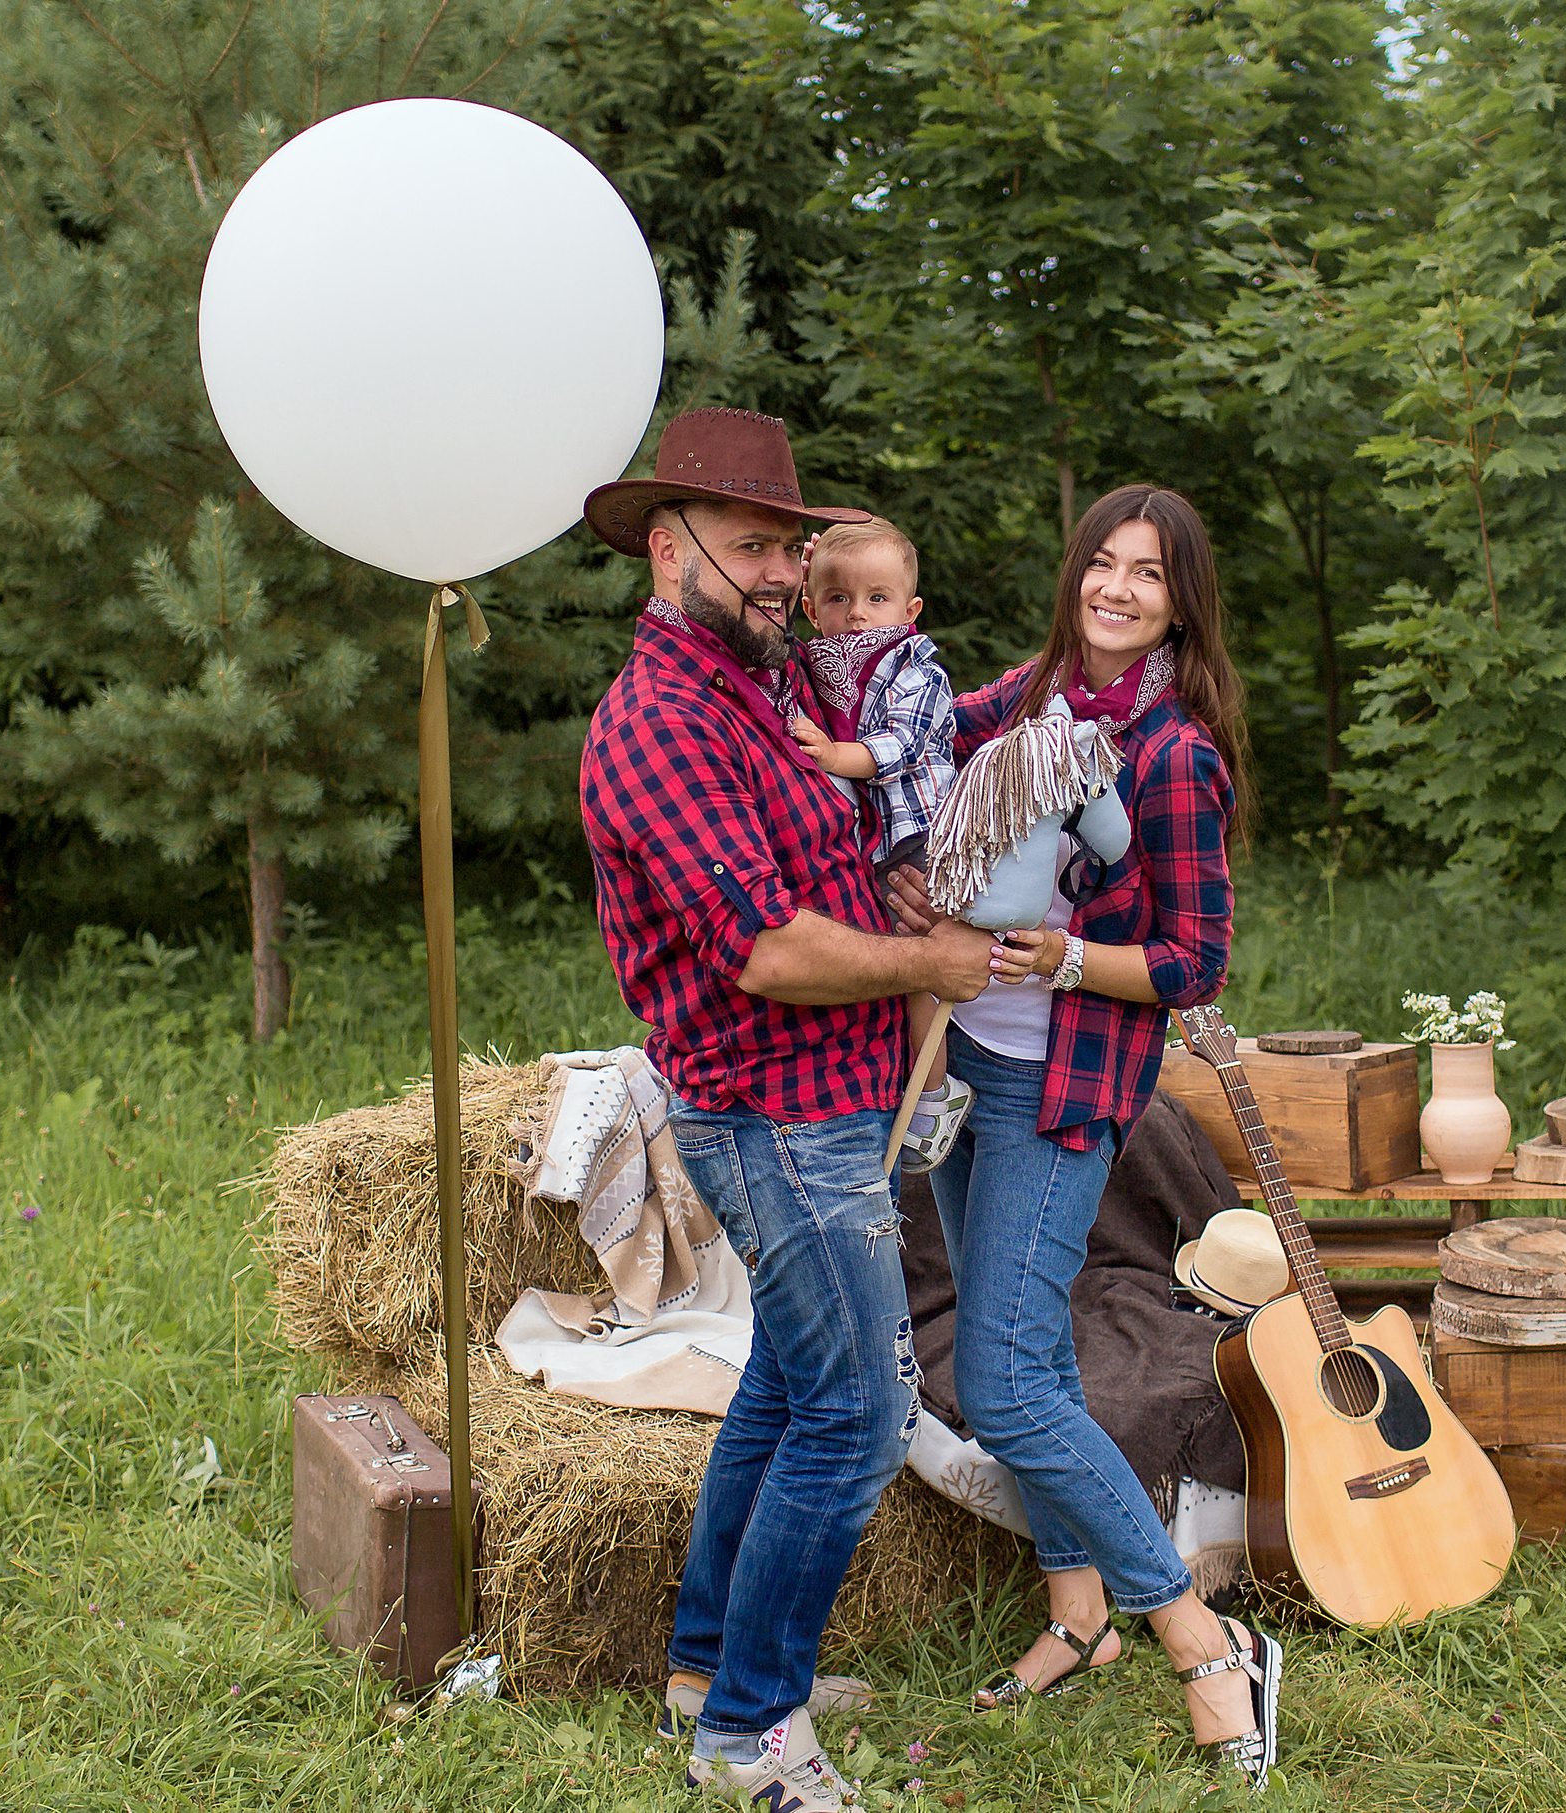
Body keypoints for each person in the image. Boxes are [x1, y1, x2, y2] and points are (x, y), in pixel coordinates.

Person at [579, 408, 996, 1813]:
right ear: (667, 547)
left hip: (826, 1101)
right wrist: (929, 964)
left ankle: (709, 1667)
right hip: (774, 1117)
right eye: (752, 545)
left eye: (788, 547)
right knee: (859, 1414)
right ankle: (749, 1734)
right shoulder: (661, 720)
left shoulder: (756, 687)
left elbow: (823, 858)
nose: (780, 572)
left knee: (785, 1383)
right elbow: (766, 949)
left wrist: (902, 889)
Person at [890, 483, 1282, 1790]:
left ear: (1181, 604)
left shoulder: (1171, 756)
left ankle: (1202, 1637)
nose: (1117, 588)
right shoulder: (1032, 697)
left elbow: (1194, 961)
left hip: (1056, 1090)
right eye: (1103, 563)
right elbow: (918, 738)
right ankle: (1077, 1613)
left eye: (1148, 574)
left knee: (1004, 1381)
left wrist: (1064, 956)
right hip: (957, 1066)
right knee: (1033, 1355)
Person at [785, 516, 970, 1168]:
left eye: (877, 597)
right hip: (868, 840)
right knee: (870, 961)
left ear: (910, 611)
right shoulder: (819, 662)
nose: (858, 613)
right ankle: (896, 1084)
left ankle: (934, 1096)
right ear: (812, 608)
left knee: (917, 966)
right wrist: (795, 580)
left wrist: (834, 754)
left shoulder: (916, 671)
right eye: (838, 598)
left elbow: (901, 745)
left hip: (918, 836)